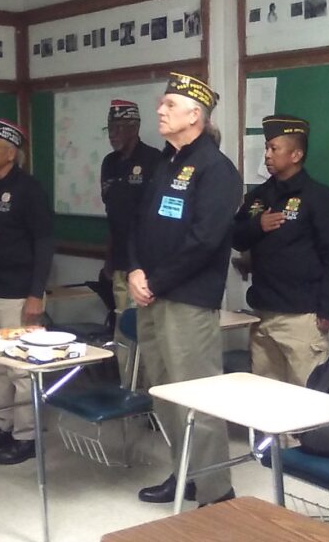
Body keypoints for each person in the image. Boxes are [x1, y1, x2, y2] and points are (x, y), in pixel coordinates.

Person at [129, 72, 243, 506]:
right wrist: (136, 269)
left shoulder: (217, 169)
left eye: (170, 105)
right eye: (162, 104)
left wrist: (154, 281)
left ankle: (217, 492)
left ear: (195, 115)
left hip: (188, 300)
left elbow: (205, 241)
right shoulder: (165, 163)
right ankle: (187, 473)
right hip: (152, 294)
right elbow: (138, 224)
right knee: (164, 391)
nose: (160, 111)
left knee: (197, 395)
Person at [233, 115, 329, 387]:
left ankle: (298, 435)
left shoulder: (319, 197)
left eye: (274, 148)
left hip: (302, 316)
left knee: (306, 398)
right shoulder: (259, 197)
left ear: (296, 154)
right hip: (263, 311)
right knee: (266, 395)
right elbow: (235, 237)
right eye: (266, 147)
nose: (267, 155)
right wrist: (257, 225)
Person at [0, 115, 54, 466]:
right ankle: (3, 425)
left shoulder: (28, 189)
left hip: (19, 293)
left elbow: (45, 241)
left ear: (10, 153)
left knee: (21, 370)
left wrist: (36, 294)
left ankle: (27, 436)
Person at [100, 99, 160, 379]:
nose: (114, 133)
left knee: (146, 329)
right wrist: (109, 257)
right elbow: (113, 215)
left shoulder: (154, 161)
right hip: (121, 261)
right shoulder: (109, 164)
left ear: (135, 127)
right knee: (123, 326)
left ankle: (149, 391)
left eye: (120, 127)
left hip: (147, 264)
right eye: (110, 127)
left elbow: (154, 218)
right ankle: (127, 388)